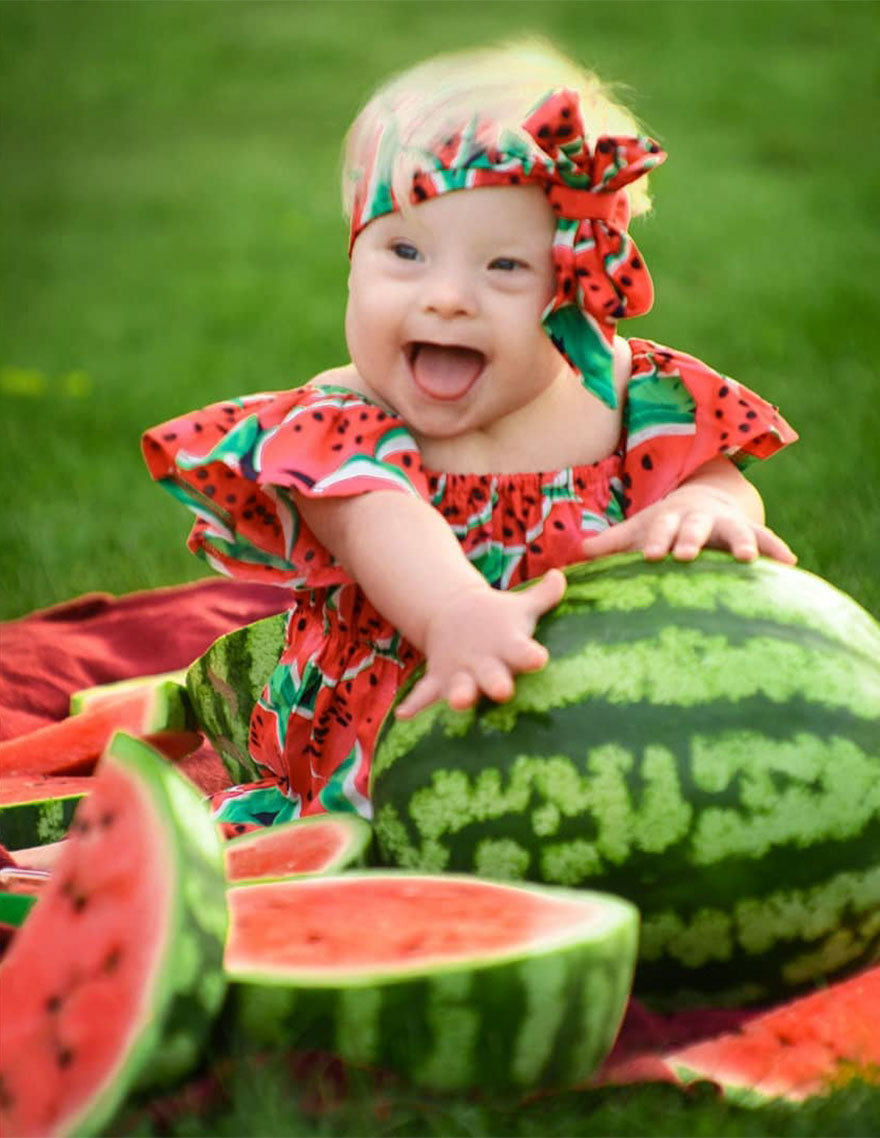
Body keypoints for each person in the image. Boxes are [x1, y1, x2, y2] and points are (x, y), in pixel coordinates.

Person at [143, 39, 797, 828]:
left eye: (505, 268)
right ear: (353, 259)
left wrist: (715, 508)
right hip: (392, 738)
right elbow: (377, 518)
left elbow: (712, 473)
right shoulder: (340, 418)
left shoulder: (628, 395)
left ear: (580, 291)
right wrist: (455, 612)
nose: (447, 297)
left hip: (601, 722)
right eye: (406, 251)